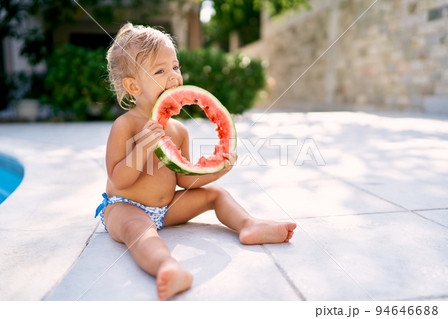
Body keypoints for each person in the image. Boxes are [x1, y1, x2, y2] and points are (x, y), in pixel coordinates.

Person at [96, 22, 297, 301]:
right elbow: (118, 179)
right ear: (133, 86)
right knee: (138, 230)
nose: (173, 77)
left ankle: (248, 224)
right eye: (160, 71)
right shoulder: (126, 126)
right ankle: (166, 266)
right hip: (125, 208)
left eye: (175, 67)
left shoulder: (178, 130)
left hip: (167, 209)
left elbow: (186, 180)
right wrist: (142, 149)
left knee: (215, 195)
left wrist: (217, 169)